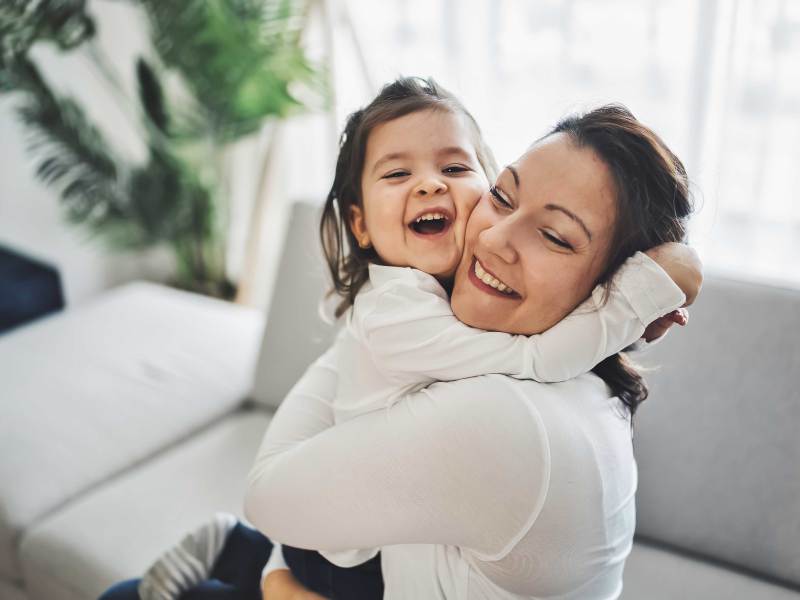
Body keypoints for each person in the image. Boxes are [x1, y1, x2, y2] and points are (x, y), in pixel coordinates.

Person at [243, 101, 701, 599]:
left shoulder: (503, 417)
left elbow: (268, 498)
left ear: (610, 284)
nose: (494, 238)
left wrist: (277, 582)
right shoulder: (582, 388)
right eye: (503, 197)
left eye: (553, 236)